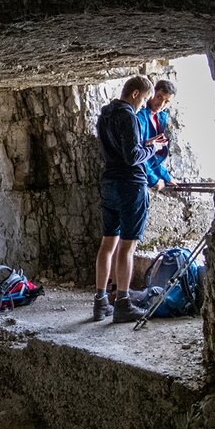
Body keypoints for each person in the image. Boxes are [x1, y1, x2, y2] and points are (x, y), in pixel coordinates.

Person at [92, 76, 153, 323]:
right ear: (136, 93)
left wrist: (142, 145)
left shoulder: (104, 115)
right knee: (127, 247)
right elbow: (132, 156)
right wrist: (152, 149)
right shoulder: (128, 115)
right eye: (146, 99)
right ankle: (123, 303)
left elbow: (116, 151)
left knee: (108, 244)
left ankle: (100, 302)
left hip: (109, 183)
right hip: (130, 185)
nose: (143, 105)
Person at [139, 79, 176, 191]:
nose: (161, 104)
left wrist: (166, 176)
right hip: (137, 175)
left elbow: (153, 156)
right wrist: (153, 179)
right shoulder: (140, 116)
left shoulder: (161, 117)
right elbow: (137, 152)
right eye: (159, 97)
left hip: (146, 171)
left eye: (166, 101)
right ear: (153, 93)